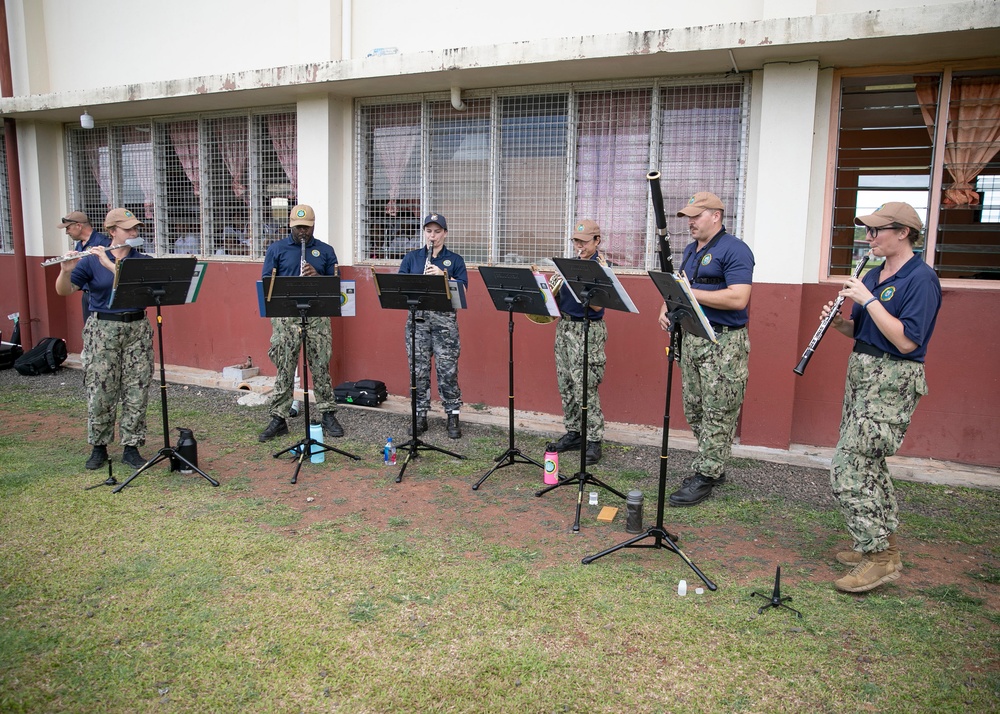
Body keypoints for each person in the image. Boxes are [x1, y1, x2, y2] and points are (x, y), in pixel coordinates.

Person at [825, 202, 941, 593]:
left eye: (877, 230)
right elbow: (866, 330)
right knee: (869, 463)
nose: (869, 237)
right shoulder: (875, 274)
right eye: (868, 231)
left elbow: (907, 340)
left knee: (849, 467)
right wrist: (842, 324)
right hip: (863, 373)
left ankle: (878, 559)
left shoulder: (921, 279)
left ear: (903, 232)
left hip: (892, 379)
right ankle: (882, 546)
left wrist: (869, 300)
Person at [658, 192, 754, 506]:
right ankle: (713, 462)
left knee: (719, 411)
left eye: (696, 216)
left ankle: (707, 473)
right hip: (693, 338)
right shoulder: (690, 250)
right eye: (688, 217)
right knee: (695, 408)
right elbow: (679, 285)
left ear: (716, 214)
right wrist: (667, 304)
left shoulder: (735, 249)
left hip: (723, 343)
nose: (690, 223)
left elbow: (738, 298)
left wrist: (691, 293)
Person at [54, 208, 154, 470]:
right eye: (128, 229)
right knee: (101, 389)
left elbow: (139, 291)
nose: (134, 233)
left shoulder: (142, 259)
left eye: (135, 229)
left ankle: (131, 446)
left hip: (136, 329)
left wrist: (110, 264)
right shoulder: (89, 260)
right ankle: (99, 447)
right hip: (103, 329)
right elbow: (64, 291)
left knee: (137, 388)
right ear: (112, 232)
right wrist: (65, 271)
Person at [258, 204, 345, 442]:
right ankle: (279, 417)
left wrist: (317, 277)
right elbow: (267, 282)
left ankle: (327, 413)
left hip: (317, 317)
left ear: (313, 226)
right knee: (285, 367)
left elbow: (337, 285)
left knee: (320, 366)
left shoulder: (325, 251)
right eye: (298, 228)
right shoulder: (277, 249)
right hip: (287, 317)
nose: (302, 233)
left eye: (306, 227)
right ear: (291, 226)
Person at [398, 213, 467, 438]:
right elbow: (400, 289)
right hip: (418, 322)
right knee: (417, 370)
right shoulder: (412, 258)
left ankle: (453, 414)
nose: (433, 236)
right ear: (424, 232)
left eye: (437, 231)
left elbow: (463, 293)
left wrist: (443, 277)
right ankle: (420, 415)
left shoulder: (455, 260)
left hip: (444, 324)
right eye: (429, 231)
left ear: (445, 233)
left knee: (448, 371)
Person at [546, 219, 609, 465]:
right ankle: (574, 432)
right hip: (565, 327)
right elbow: (554, 304)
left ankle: (593, 439)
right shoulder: (568, 266)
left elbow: (597, 304)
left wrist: (574, 278)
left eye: (583, 242)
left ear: (597, 241)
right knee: (566, 383)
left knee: (586, 385)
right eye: (576, 241)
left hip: (588, 328)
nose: (579, 246)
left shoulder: (600, 267)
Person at [56, 211, 111, 325]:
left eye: (68, 228)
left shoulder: (103, 242)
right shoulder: (80, 244)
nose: (67, 232)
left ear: (79, 226)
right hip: (87, 295)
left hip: (100, 297)